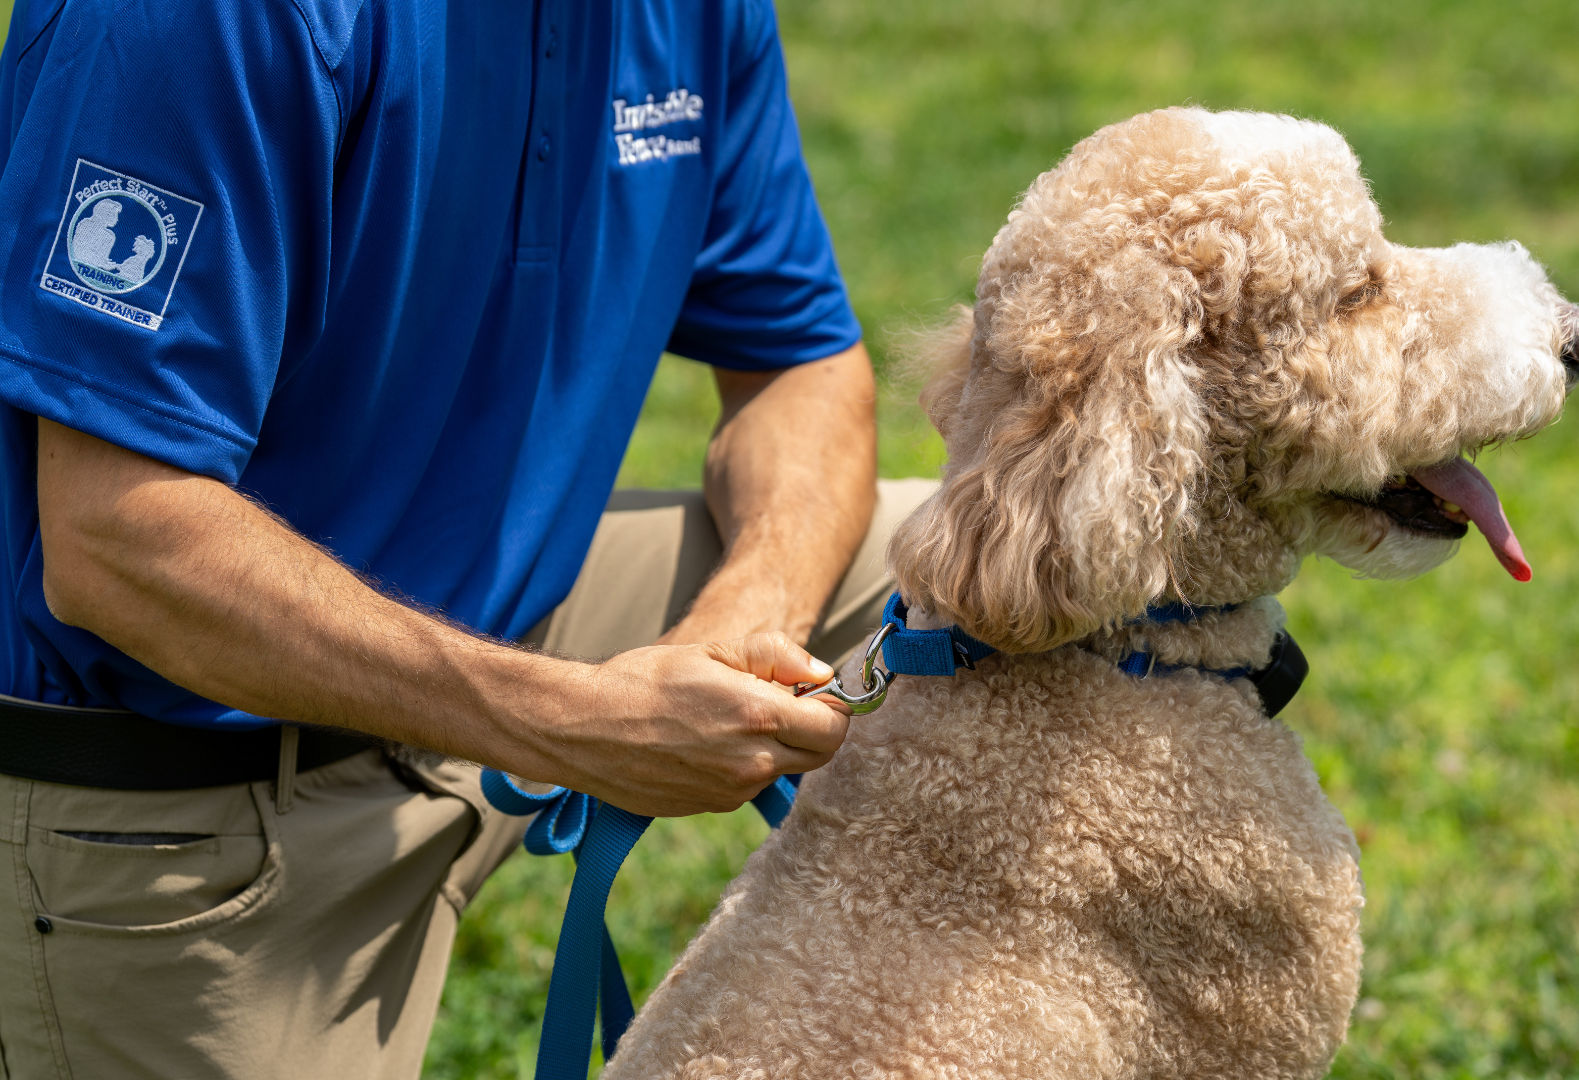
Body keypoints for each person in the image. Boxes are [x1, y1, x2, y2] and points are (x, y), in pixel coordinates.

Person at [0, 0, 929, 1075]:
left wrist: (742, 619)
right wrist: (574, 723)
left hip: (509, 626)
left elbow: (800, 366)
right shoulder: (205, 19)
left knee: (972, 585)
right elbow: (116, 544)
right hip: (187, 796)